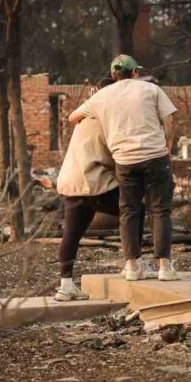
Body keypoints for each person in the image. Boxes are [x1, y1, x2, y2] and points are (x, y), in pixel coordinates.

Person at [68, 54, 178, 282]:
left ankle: (132, 266)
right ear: (135, 72)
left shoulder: (103, 96)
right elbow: (169, 119)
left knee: (129, 211)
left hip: (125, 161)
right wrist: (168, 146)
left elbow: (72, 117)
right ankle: (165, 267)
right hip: (155, 156)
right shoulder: (150, 89)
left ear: (112, 75)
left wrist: (92, 112)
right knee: (160, 210)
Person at [54, 78, 148, 301]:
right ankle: (132, 262)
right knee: (135, 210)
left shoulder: (84, 117)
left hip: (73, 183)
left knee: (72, 234)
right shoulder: (107, 118)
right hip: (95, 182)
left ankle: (65, 285)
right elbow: (116, 155)